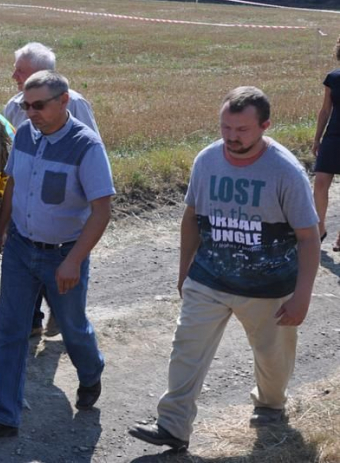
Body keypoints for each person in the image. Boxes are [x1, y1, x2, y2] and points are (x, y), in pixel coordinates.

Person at [129, 87, 320, 452]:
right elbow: (191, 217)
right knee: (187, 347)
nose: (232, 137)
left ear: (265, 125)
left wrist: (302, 295)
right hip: (209, 277)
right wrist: (185, 269)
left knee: (272, 358)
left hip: (269, 287)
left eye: (242, 130)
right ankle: (173, 425)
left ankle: (270, 405)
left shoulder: (285, 171)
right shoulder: (207, 160)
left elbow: (309, 238)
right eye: (225, 128)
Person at [0, 71, 115, 441]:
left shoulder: (86, 146)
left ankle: (91, 369)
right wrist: (0, 231)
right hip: (20, 248)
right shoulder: (25, 137)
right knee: (10, 331)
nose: (31, 113)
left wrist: (73, 260)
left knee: (74, 328)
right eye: (26, 106)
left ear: (64, 102)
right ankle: (5, 415)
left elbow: (102, 209)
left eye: (39, 106)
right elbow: (13, 183)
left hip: (62, 255)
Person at [3, 42, 101, 339]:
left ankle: (63, 317)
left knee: (56, 271)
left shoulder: (76, 104)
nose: (14, 76)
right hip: (25, 200)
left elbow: (91, 153)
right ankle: (32, 320)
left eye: (20, 71)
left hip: (63, 209)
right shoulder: (13, 105)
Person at [312, 35, 340, 250]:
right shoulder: (333, 78)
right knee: (320, 182)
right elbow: (324, 110)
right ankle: (319, 229)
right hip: (333, 136)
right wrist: (317, 138)